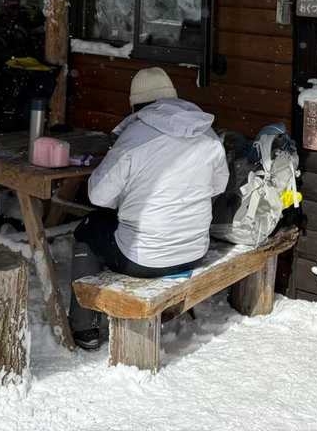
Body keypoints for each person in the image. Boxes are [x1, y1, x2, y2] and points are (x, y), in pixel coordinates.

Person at [69, 67, 230, 349]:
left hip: (143, 260)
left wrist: (129, 197)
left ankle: (84, 327)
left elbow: (98, 195)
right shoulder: (205, 132)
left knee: (89, 228)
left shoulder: (134, 138)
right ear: (172, 98)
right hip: (193, 252)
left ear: (135, 106)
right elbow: (218, 186)